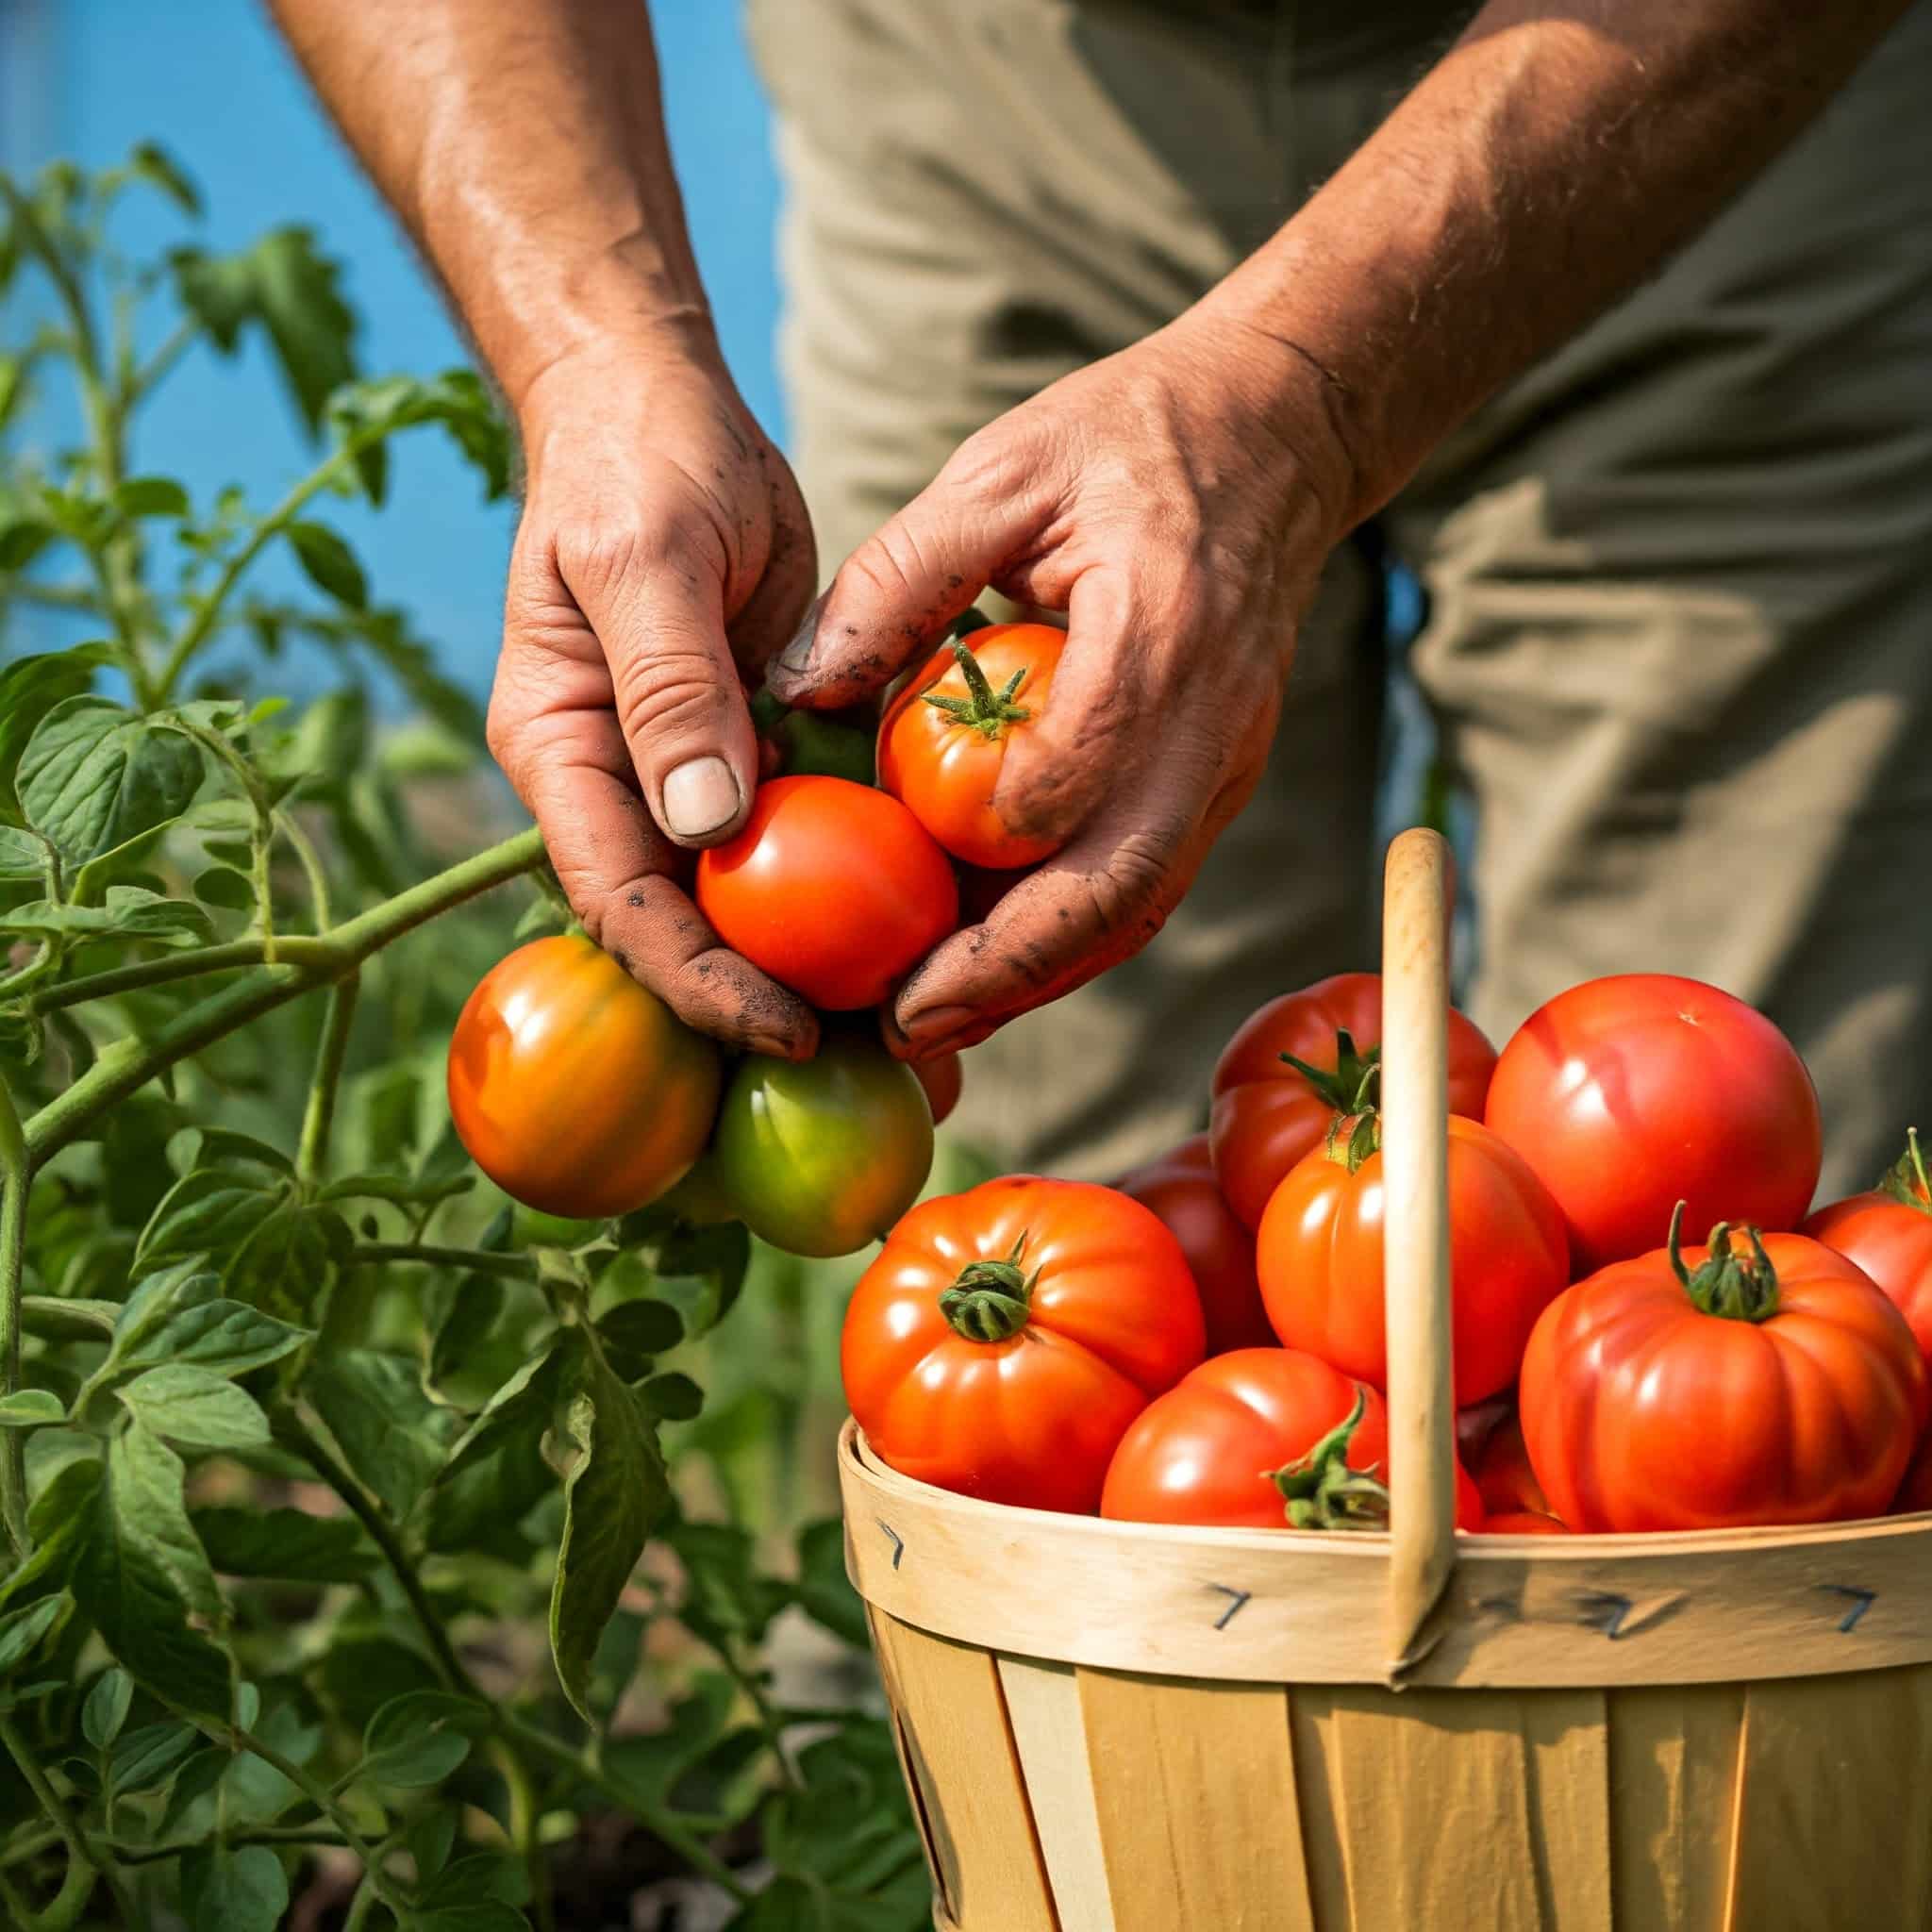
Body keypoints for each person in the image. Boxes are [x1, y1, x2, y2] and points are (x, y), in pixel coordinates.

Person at [270, 0, 1930, 1192]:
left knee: (1721, 1180)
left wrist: (1310, 395)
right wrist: (592, 356)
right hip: (993, 89)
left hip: (1719, 109)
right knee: (1055, 1203)